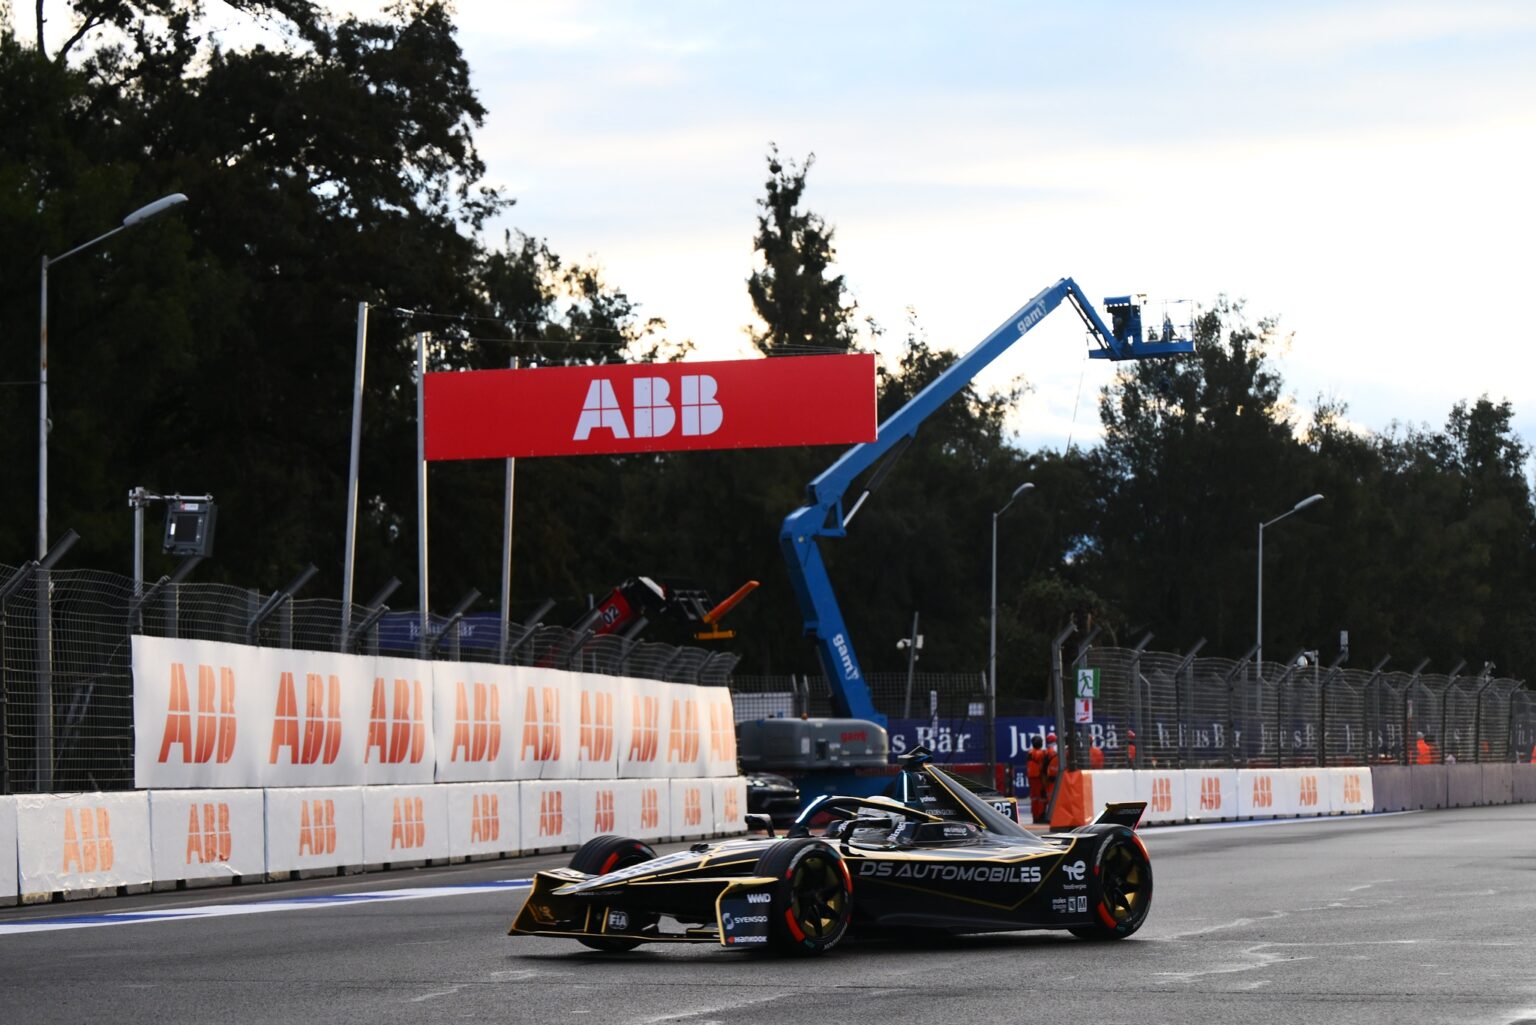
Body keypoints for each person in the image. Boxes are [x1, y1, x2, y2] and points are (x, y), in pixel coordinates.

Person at [1025, 736, 1047, 822]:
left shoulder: (1030, 752)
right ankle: (1040, 815)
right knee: (1041, 797)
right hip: (1038, 778)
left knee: (1034, 798)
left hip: (1032, 778)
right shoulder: (1040, 753)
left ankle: (1035, 816)